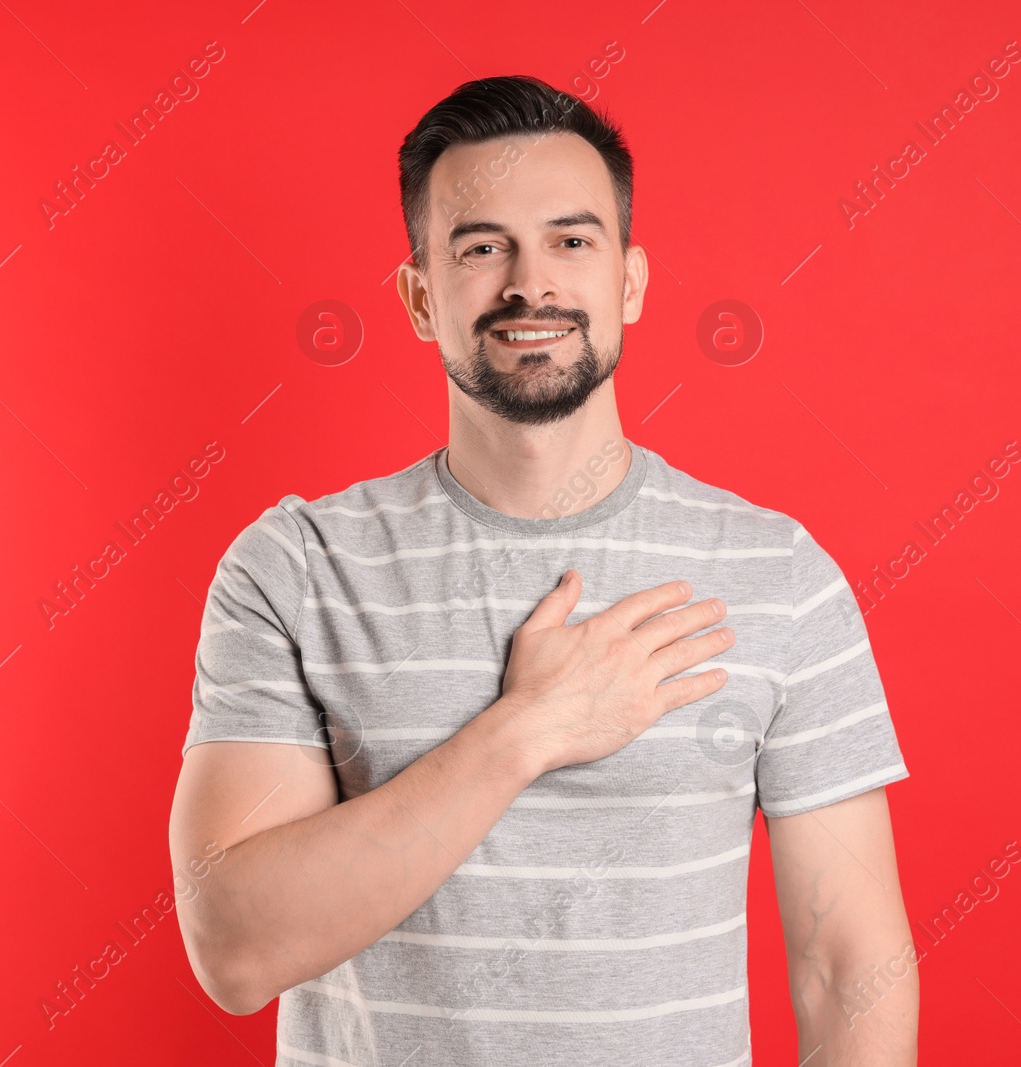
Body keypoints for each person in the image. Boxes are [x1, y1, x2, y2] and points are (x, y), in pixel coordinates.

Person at [169, 74, 916, 1066]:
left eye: (571, 241)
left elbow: (846, 960)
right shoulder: (297, 567)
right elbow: (234, 946)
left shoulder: (778, 572)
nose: (532, 284)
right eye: (482, 248)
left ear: (630, 282)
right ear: (420, 296)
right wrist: (528, 729)